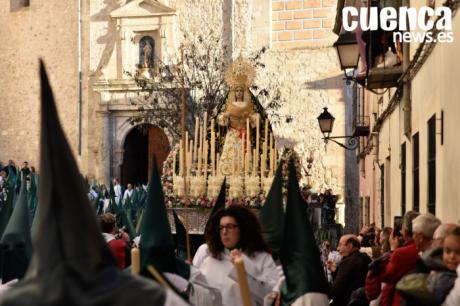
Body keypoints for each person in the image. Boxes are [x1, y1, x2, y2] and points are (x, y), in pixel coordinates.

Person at [193, 205, 281, 306]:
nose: (224, 232)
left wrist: (244, 268)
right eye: (221, 227)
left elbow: (271, 295)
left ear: (243, 228)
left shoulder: (262, 258)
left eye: (230, 226)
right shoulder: (209, 256)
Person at [216, 56, 262, 177]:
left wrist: (250, 117)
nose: (239, 93)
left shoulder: (249, 104)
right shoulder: (229, 104)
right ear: (234, 92)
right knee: (230, 160)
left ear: (244, 92)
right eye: (237, 91)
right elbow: (220, 119)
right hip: (232, 134)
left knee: (244, 161)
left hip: (244, 135)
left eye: (241, 91)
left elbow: (256, 119)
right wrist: (226, 116)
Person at [328, 234, 370, 306]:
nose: (338, 248)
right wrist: (335, 271)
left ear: (350, 246)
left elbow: (336, 290)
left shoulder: (349, 262)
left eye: (340, 245)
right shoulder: (364, 257)